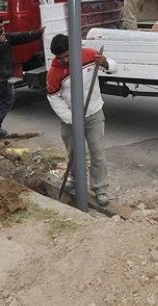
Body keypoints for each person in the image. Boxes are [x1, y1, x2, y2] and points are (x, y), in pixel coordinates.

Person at [46, 34, 117, 207]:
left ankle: (100, 189)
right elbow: (53, 97)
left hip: (94, 113)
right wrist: (71, 119)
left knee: (97, 153)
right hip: (70, 119)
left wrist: (105, 63)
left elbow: (113, 67)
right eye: (61, 57)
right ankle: (76, 181)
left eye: (67, 55)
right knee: (74, 154)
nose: (65, 59)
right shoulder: (54, 72)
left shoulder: (90, 55)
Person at [0, 16, 44, 138]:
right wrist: (2, 44)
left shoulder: (5, 37)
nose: (2, 29)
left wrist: (38, 32)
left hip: (4, 77)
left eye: (3, 26)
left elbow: (23, 37)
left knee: (8, 100)